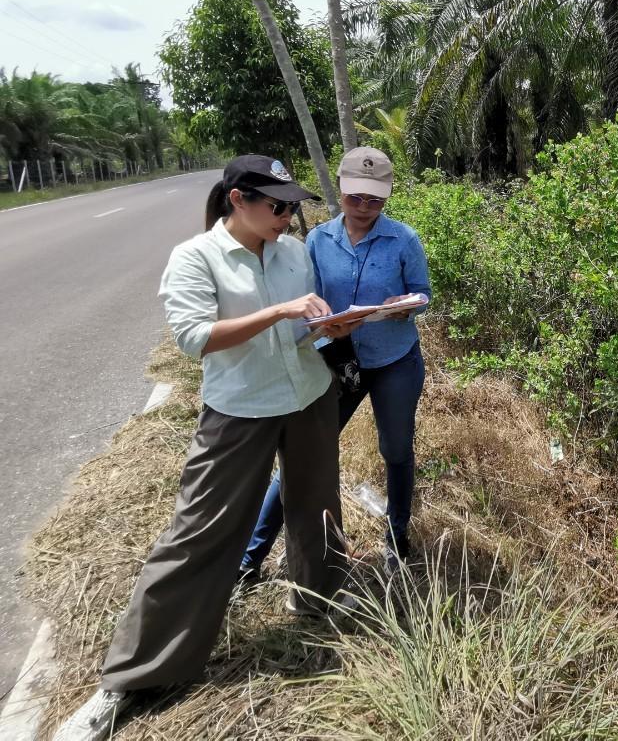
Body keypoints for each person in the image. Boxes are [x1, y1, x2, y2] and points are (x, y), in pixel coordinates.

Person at [55, 155, 353, 741]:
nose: (288, 215)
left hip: (309, 393)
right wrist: (280, 311)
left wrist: (326, 327)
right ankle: (131, 678)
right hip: (240, 409)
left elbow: (300, 327)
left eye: (292, 205)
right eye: (276, 205)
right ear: (238, 199)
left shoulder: (294, 252)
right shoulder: (196, 257)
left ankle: (318, 602)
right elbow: (195, 339)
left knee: (316, 507)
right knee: (199, 533)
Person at [240, 146, 430, 580]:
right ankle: (251, 557)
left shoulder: (404, 239)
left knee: (396, 450)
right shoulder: (319, 241)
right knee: (305, 454)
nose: (364, 208)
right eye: (355, 198)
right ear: (341, 191)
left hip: (395, 360)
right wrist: (325, 326)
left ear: (387, 197)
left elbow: (423, 293)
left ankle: (397, 539)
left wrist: (406, 306)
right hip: (337, 362)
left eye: (375, 200)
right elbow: (311, 299)